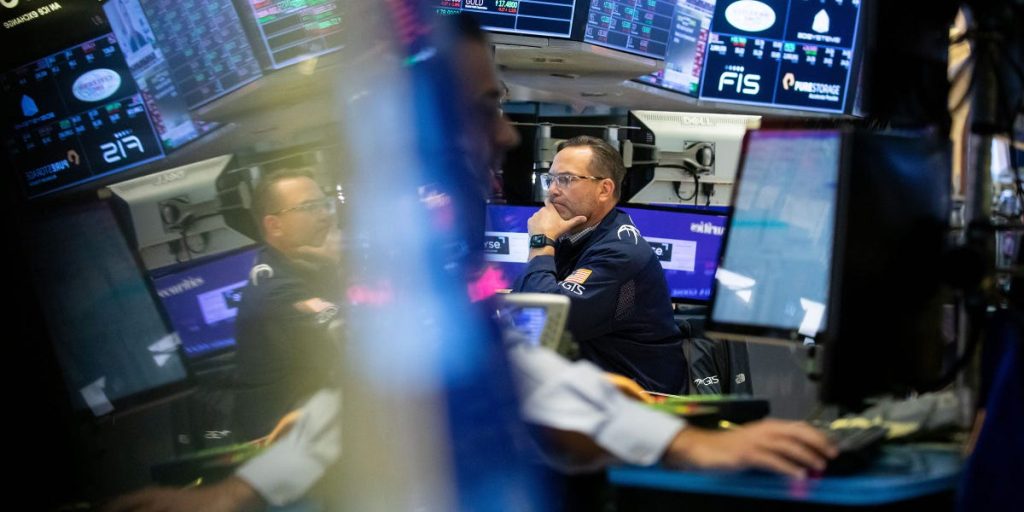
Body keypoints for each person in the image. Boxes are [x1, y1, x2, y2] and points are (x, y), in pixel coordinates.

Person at [103, 12, 836, 512]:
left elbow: (519, 350)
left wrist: (681, 443)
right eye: (485, 107)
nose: (510, 138)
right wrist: (681, 446)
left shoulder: (603, 245)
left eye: (568, 178)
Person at [513, 136, 688, 394]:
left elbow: (542, 324)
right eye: (551, 179)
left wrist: (540, 242)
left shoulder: (621, 252)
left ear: (604, 189)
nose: (552, 191)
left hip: (638, 400)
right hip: (592, 388)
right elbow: (520, 306)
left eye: (566, 179)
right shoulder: (573, 236)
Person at [232, 168, 344, 440]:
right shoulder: (275, 292)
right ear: (274, 226)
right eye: (309, 207)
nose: (325, 215)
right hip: (287, 439)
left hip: (320, 417)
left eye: (324, 204)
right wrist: (343, 264)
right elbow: (343, 328)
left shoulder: (302, 263)